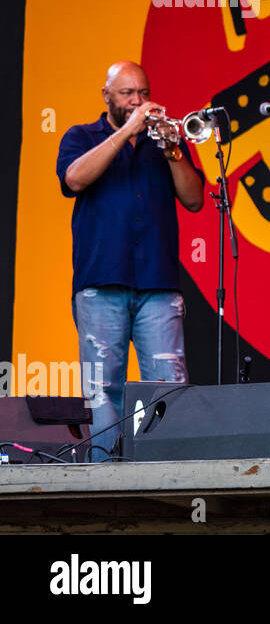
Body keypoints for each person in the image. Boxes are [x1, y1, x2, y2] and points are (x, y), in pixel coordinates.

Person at [56, 61, 205, 459]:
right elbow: (74, 179)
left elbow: (194, 199)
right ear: (107, 96)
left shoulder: (164, 143)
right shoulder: (81, 136)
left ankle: (170, 469)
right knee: (104, 387)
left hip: (158, 283)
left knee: (168, 383)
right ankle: (105, 474)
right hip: (101, 281)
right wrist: (127, 132)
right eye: (128, 94)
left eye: (143, 92)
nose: (138, 101)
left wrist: (174, 151)